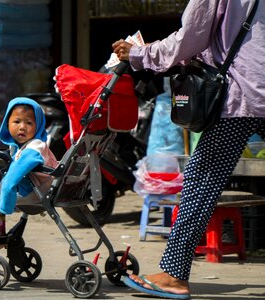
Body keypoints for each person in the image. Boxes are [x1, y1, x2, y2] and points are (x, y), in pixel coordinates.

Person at [112, 0, 264, 299]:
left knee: (200, 182)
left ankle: (173, 274)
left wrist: (141, 54)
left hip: (245, 94)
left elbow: (192, 38)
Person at [0, 97, 57, 252]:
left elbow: (13, 178)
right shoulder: (20, 148)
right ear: (7, 124)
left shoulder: (34, 147)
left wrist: (4, 202)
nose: (22, 127)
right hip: (35, 186)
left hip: (39, 191)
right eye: (17, 121)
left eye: (29, 123)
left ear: (38, 126)